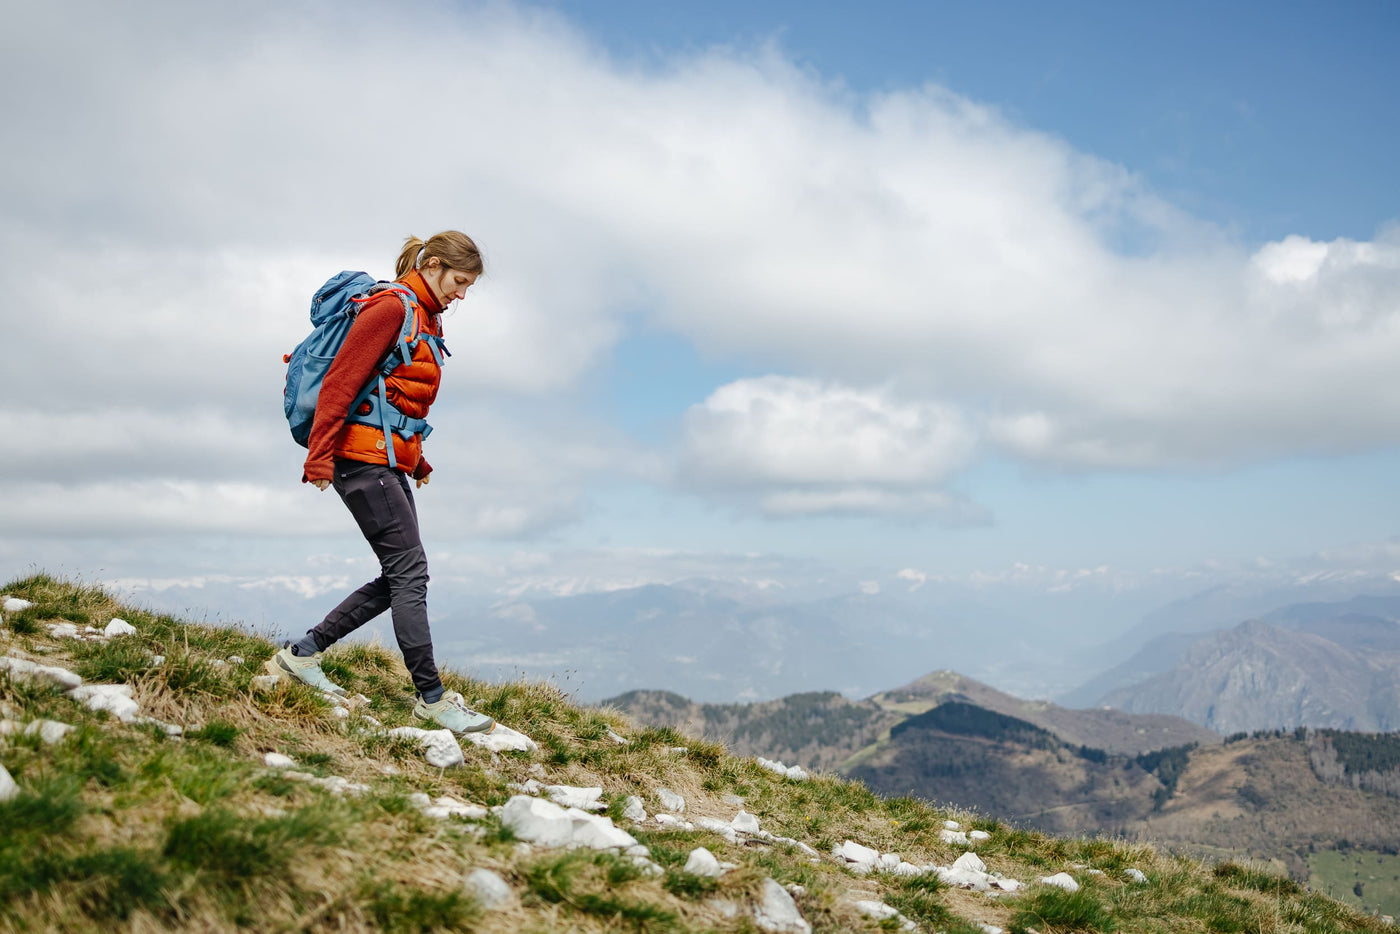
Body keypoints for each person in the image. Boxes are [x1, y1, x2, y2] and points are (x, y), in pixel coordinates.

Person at [266, 231, 495, 734]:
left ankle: (302, 655)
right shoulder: (391, 308)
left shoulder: (424, 316)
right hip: (358, 459)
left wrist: (417, 458)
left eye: (469, 287)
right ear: (432, 265)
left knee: (402, 574)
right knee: (409, 572)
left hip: (381, 458)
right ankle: (432, 700)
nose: (462, 295)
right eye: (459, 281)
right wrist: (318, 456)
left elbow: (395, 397)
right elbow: (341, 382)